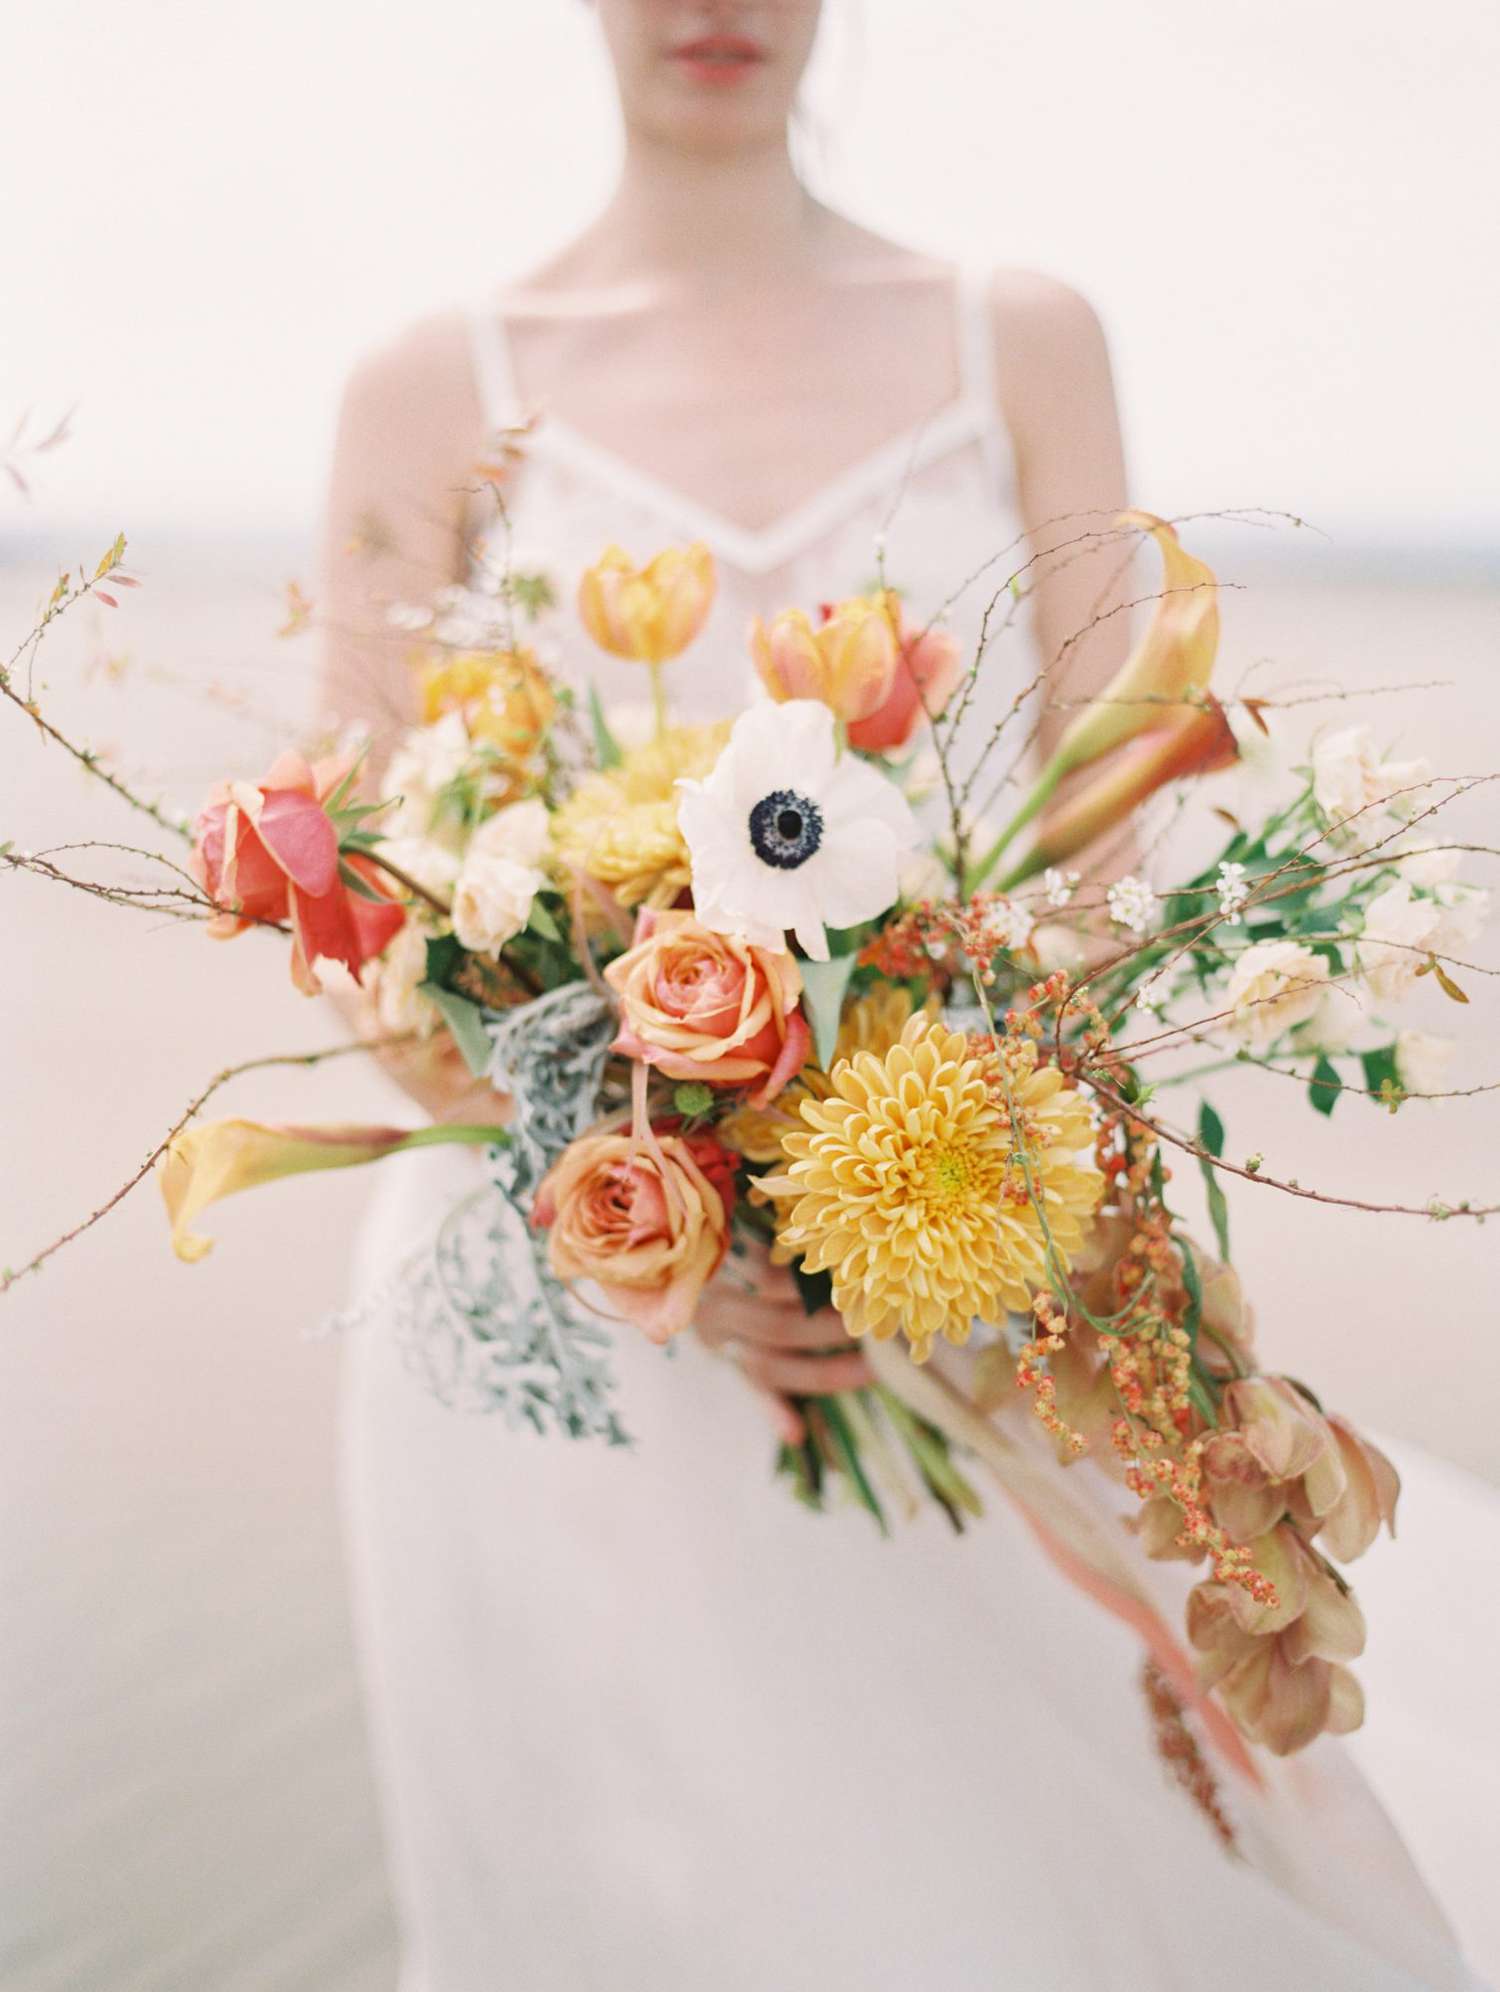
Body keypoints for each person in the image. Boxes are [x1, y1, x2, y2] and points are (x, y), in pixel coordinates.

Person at [321, 6, 1482, 1987]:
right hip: (555, 1328)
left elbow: (1102, 841)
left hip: (958, 1263)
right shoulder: (437, 385)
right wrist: (667, 1205)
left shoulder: (1015, 340)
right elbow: (362, 907)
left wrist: (910, 1190)